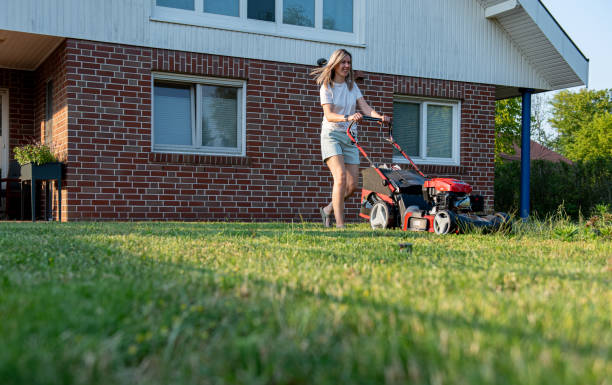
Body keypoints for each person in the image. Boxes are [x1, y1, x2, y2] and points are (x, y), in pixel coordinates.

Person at [311, 49, 390, 228]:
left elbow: (365, 107)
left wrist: (379, 117)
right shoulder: (327, 86)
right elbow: (329, 115)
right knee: (340, 178)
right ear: (335, 64)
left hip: (350, 137)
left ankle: (328, 209)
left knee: (352, 186)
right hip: (332, 135)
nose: (346, 66)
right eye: (343, 62)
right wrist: (347, 117)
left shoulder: (352, 86)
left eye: (349, 62)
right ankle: (340, 225)